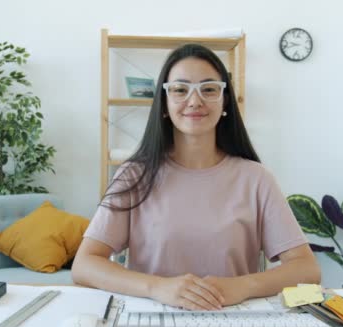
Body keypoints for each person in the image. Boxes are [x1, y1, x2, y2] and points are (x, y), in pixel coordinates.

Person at [72, 44, 320, 311]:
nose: (194, 100)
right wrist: (157, 287)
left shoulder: (256, 179)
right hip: (151, 319)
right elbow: (85, 265)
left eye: (209, 89)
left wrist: (242, 286)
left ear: (224, 101)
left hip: (233, 320)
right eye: (180, 90)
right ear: (164, 104)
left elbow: (306, 269)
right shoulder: (133, 175)